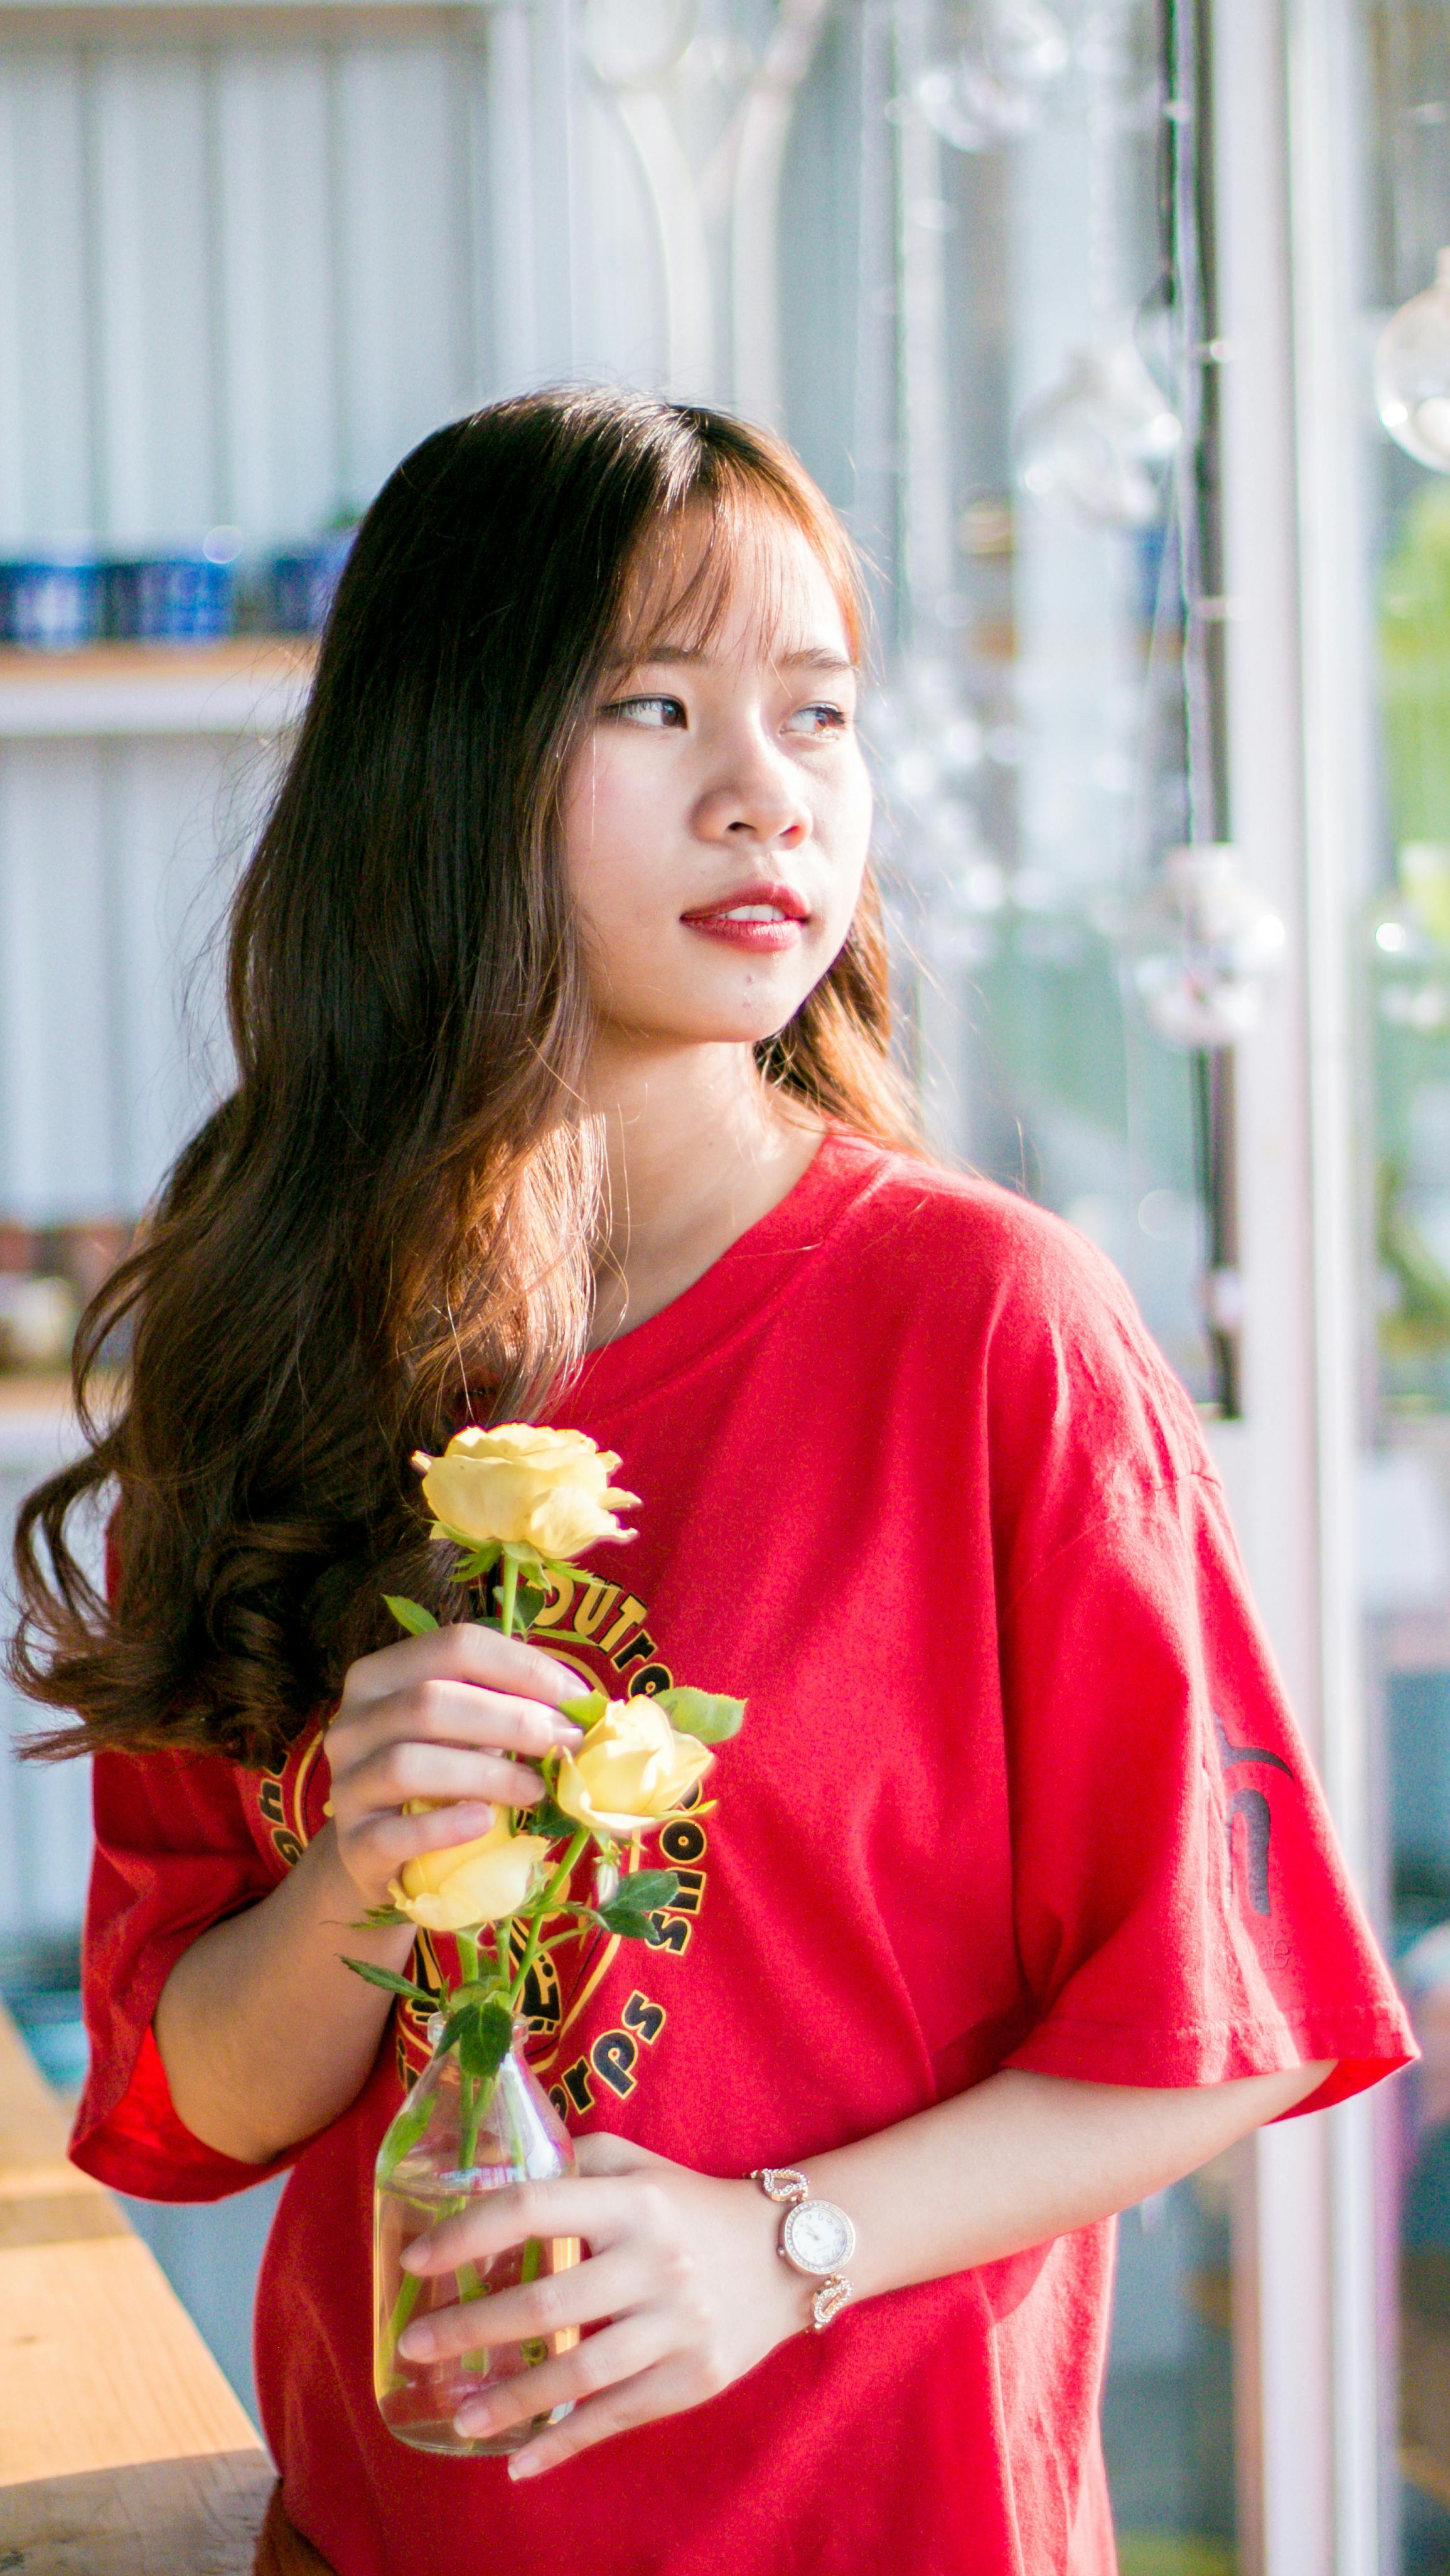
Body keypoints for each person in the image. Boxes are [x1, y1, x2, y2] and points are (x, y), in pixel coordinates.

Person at [11, 389, 1414, 2576]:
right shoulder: (269, 1348)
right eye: (655, 707)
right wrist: (363, 1887)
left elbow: (1225, 2025)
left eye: (822, 715)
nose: (770, 792)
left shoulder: (990, 1327)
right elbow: (198, 2103)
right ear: (443, 768)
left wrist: (784, 2245)